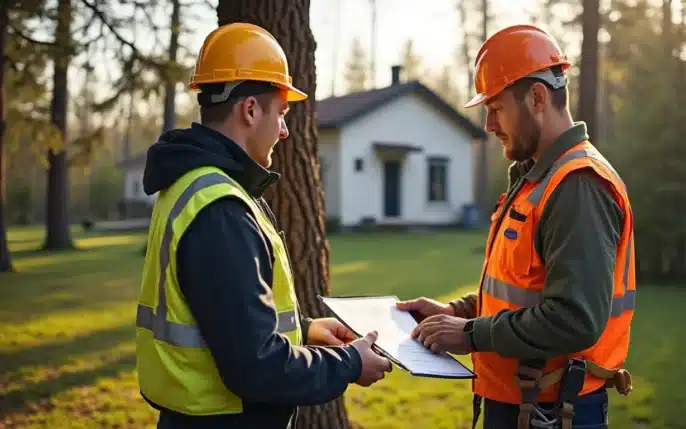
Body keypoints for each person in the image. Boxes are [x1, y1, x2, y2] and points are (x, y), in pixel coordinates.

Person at [135, 23, 392, 429]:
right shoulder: (220, 209)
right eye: (282, 113)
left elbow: (223, 320)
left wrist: (305, 330)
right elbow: (256, 367)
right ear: (250, 110)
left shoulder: (196, 186)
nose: (286, 130)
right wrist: (349, 363)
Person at [397, 24, 635, 429]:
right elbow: (527, 287)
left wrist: (470, 333)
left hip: (553, 414)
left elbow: (574, 319)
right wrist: (456, 313)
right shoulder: (537, 180)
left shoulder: (578, 185)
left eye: (496, 108)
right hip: (526, 406)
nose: (488, 125)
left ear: (537, 98)